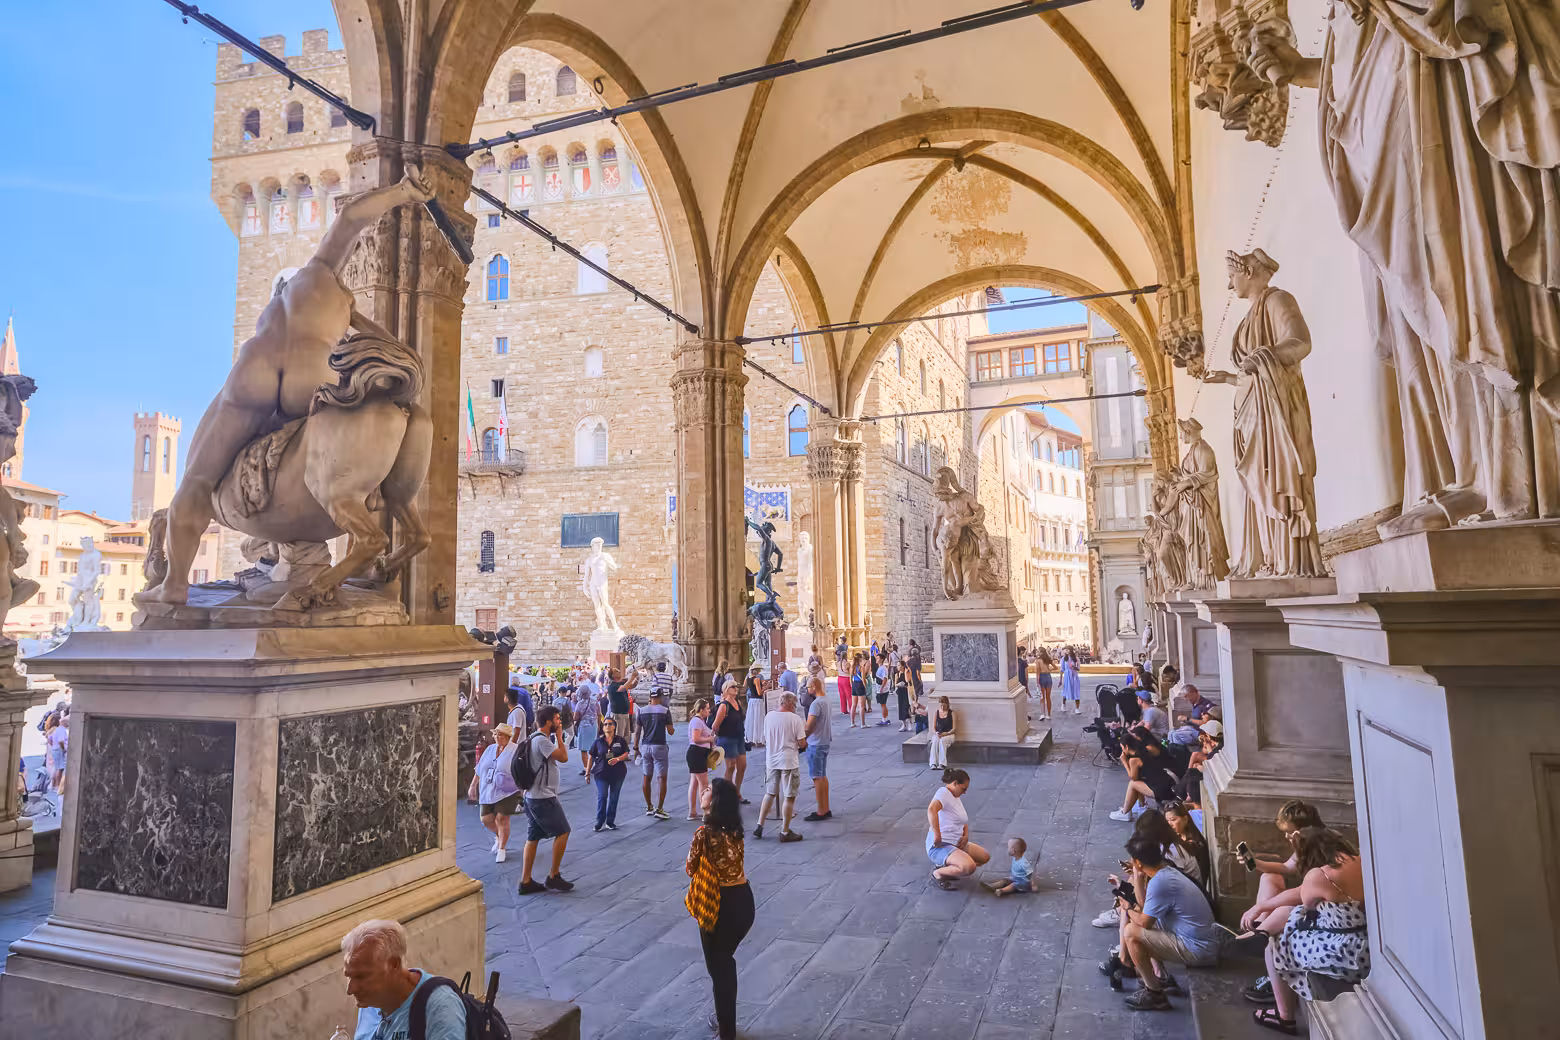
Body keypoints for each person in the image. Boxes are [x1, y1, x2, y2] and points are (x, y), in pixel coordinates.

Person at [1256, 828, 1368, 1034]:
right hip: (1365, 947)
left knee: (1275, 943)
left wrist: (1264, 906)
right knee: (1289, 915)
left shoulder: (1320, 874)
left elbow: (1306, 901)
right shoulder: (1364, 861)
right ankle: (1257, 934)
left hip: (1341, 953)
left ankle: (1284, 1016)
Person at [1113, 834, 1222, 1011]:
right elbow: (1144, 908)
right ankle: (1161, 976)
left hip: (1198, 949)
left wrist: (1127, 908)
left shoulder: (1160, 882)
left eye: (1132, 860)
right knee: (1139, 916)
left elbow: (1144, 923)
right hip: (1201, 941)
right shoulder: (1166, 872)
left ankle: (1154, 994)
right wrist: (1138, 879)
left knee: (1130, 932)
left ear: (1138, 862)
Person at [684, 778, 754, 1040]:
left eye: (709, 790)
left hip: (718, 906)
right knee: (724, 964)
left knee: (720, 969)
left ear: (715, 802)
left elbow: (690, 868)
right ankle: (725, 1021)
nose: (704, 790)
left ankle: (727, 1031)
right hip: (744, 902)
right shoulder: (736, 830)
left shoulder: (704, 834)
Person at [342, 918, 466, 1039]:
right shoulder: (370, 1001)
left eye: (361, 977)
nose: (350, 989)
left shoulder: (440, 1007)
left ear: (394, 965)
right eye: (349, 976)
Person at [517, 705, 573, 894]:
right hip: (543, 797)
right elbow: (564, 757)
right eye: (557, 719)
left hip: (532, 796)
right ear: (548, 722)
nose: (559, 722)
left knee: (533, 837)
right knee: (563, 831)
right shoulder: (542, 741)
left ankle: (526, 881)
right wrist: (559, 736)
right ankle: (553, 875)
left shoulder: (532, 738)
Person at [753, 691, 808, 842]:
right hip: (789, 760)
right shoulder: (795, 719)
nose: (795, 707)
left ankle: (760, 825)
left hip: (771, 759)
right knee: (789, 796)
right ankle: (785, 831)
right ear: (790, 703)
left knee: (770, 793)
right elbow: (802, 742)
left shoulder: (769, 717)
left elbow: (766, 736)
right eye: (794, 705)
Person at [927, 767, 989, 889]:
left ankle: (948, 867)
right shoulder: (943, 793)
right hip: (941, 845)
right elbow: (931, 810)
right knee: (969, 867)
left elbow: (962, 820)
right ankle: (937, 874)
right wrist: (937, 835)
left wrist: (965, 836)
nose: (965, 792)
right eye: (963, 788)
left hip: (956, 842)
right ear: (955, 783)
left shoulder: (955, 796)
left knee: (984, 857)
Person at [469, 723, 520, 862]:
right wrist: (473, 785)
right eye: (496, 734)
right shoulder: (490, 749)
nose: (497, 737)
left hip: (507, 790)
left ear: (508, 737)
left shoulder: (515, 750)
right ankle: (499, 836)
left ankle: (502, 848)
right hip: (488, 788)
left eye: (501, 734)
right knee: (485, 819)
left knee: (502, 819)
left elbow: (522, 770)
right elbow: (479, 768)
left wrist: (523, 788)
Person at [1110, 728, 1179, 822]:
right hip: (1167, 782)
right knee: (1139, 781)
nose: (1122, 750)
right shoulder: (1144, 750)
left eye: (1122, 747)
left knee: (1133, 784)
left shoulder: (1133, 760)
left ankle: (1125, 813)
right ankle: (1141, 805)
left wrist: (1124, 762)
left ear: (1126, 747)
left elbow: (1133, 777)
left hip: (1161, 789)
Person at [634, 686, 675, 820]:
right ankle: (660, 808)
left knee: (646, 777)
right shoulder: (665, 711)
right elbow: (670, 731)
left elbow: (638, 731)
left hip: (645, 746)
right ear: (661, 697)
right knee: (662, 778)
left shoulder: (642, 711)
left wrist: (635, 748)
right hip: (659, 745)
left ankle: (649, 806)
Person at [588, 716, 631, 832]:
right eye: (605, 724)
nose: (607, 726)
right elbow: (591, 756)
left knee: (614, 797)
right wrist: (587, 773)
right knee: (602, 796)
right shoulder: (598, 742)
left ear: (614, 727)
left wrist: (617, 759)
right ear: (602, 727)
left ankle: (610, 821)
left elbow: (626, 753)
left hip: (618, 773)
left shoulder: (620, 740)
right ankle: (599, 821)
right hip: (601, 773)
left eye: (610, 724)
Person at [710, 679, 749, 803]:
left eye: (736, 686)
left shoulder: (737, 702)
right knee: (730, 767)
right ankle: (728, 795)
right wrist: (717, 737)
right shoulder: (724, 706)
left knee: (742, 765)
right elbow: (715, 725)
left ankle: (737, 792)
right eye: (733, 687)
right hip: (728, 738)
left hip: (739, 738)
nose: (736, 689)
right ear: (726, 690)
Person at [801, 675, 832, 821]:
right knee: (822, 776)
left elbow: (810, 725)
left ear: (813, 687)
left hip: (815, 742)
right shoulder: (826, 700)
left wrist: (802, 737)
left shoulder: (816, 704)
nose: (807, 690)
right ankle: (826, 807)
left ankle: (821, 810)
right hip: (824, 741)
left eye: (808, 687)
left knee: (817, 777)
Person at [686, 698, 717, 820]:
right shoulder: (697, 721)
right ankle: (706, 812)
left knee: (694, 783)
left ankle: (693, 812)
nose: (709, 711)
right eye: (707, 709)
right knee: (703, 784)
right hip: (697, 753)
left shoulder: (700, 721)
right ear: (701, 710)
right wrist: (709, 739)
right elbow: (696, 738)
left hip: (698, 753)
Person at [572, 682, 599, 777]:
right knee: (594, 747)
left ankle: (586, 768)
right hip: (593, 725)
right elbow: (599, 713)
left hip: (584, 727)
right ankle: (596, 766)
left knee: (583, 749)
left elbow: (575, 717)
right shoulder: (595, 701)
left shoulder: (579, 704)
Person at [606, 666, 637, 738]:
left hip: (625, 713)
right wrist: (632, 677)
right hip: (619, 715)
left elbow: (631, 686)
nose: (619, 671)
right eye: (616, 671)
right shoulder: (613, 686)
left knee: (625, 737)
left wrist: (637, 679)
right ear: (613, 675)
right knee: (619, 736)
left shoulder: (620, 684)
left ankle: (623, 748)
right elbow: (624, 688)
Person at [743, 666, 767, 748]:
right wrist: (765, 688)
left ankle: (751, 738)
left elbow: (744, 687)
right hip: (758, 701)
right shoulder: (756, 679)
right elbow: (759, 692)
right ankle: (759, 739)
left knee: (751, 719)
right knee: (758, 719)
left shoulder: (748, 678)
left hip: (751, 701)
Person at [929, 696, 955, 769]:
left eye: (944, 705)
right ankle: (933, 763)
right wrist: (936, 733)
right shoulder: (937, 713)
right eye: (941, 705)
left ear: (947, 704)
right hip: (939, 733)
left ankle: (942, 763)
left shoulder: (952, 713)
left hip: (949, 734)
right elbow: (933, 727)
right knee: (935, 740)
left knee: (942, 741)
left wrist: (946, 733)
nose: (942, 707)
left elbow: (954, 728)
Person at [850, 653, 871, 729]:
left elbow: (850, 678)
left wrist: (852, 685)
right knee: (862, 706)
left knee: (853, 705)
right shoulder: (861, 667)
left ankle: (852, 722)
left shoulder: (852, 667)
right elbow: (863, 678)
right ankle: (863, 723)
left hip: (854, 684)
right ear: (860, 659)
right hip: (860, 684)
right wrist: (865, 686)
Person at [1034, 647, 1055, 720]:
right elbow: (1056, 667)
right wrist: (1049, 670)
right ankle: (1049, 714)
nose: (1037, 652)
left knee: (1042, 697)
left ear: (1041, 652)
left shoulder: (1038, 660)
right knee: (1048, 697)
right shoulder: (1047, 660)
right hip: (1048, 677)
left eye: (1038, 651)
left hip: (1042, 677)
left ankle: (1043, 714)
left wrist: (1037, 683)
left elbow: (1037, 672)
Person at [1059, 649, 1082, 714]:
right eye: (1066, 650)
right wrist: (1060, 679)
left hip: (1074, 676)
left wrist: (1074, 667)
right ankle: (1063, 705)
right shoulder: (1064, 659)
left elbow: (1078, 668)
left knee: (1076, 691)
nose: (1066, 651)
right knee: (1066, 690)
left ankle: (1077, 708)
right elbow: (1062, 669)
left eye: (1068, 650)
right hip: (1067, 676)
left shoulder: (1076, 658)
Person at [873, 654, 892, 725]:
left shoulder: (883, 668)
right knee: (883, 704)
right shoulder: (880, 667)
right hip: (880, 688)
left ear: (881, 659)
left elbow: (885, 678)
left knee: (883, 704)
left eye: (877, 658)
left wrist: (882, 688)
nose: (876, 659)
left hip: (882, 689)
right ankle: (886, 718)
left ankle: (884, 720)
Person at [894, 661, 913, 731]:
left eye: (899, 665)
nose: (898, 667)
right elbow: (895, 684)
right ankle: (903, 724)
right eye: (897, 665)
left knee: (906, 706)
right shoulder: (897, 674)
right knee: (901, 707)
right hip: (900, 691)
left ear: (902, 666)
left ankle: (909, 722)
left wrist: (905, 672)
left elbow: (908, 681)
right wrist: (898, 684)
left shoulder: (906, 672)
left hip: (906, 691)